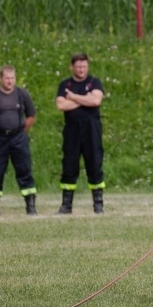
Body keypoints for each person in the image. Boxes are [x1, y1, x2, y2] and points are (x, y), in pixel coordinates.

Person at [0, 65, 38, 216]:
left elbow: (31, 116)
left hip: (19, 138)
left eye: (12, 78)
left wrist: (21, 132)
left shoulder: (23, 94)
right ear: (0, 79)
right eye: (7, 78)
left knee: (25, 170)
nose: (10, 81)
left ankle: (30, 207)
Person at [55, 52, 105, 214]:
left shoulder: (94, 82)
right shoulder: (65, 85)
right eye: (78, 66)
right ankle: (66, 205)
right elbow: (61, 105)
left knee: (94, 163)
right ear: (72, 67)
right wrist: (85, 99)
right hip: (72, 130)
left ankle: (98, 204)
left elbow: (96, 101)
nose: (81, 69)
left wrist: (74, 97)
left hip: (91, 129)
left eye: (84, 66)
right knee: (69, 164)